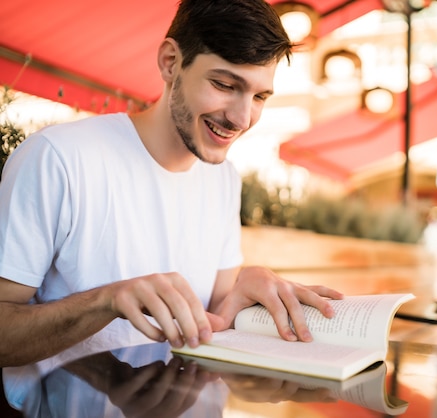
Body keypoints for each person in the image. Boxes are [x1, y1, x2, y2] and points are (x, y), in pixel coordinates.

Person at [0, 0, 343, 368]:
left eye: (259, 97)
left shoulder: (223, 178)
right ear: (170, 62)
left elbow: (212, 321)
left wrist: (245, 289)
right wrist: (106, 301)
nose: (242, 118)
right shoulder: (59, 157)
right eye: (225, 84)